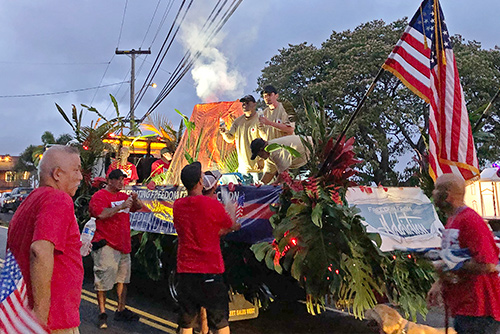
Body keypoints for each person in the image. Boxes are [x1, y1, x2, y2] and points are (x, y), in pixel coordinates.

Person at [7, 145, 84, 333]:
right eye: (76, 169)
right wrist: (40, 318)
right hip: (54, 322)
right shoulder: (59, 199)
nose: (80, 177)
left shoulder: (29, 202)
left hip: (22, 316)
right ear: (57, 174)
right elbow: (40, 250)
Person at [427, 173, 500, 334]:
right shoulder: (452, 220)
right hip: (463, 307)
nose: (433, 193)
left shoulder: (471, 221)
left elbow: (488, 263)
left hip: (480, 309)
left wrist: (453, 263)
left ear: (447, 195)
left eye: (436, 189)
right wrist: (439, 283)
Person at [173, 162, 240, 334]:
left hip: (186, 270)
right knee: (220, 322)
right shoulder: (211, 205)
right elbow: (230, 225)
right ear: (200, 182)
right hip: (210, 269)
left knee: (187, 322)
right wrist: (233, 218)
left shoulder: (178, 206)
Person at [89, 169, 143, 329]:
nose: (121, 182)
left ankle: (121, 308)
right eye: (118, 180)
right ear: (109, 181)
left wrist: (135, 200)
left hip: (123, 243)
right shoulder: (99, 197)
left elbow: (137, 208)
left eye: (123, 180)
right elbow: (101, 214)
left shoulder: (123, 196)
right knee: (103, 280)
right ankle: (102, 312)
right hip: (107, 243)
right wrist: (119, 207)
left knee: (123, 279)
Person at [220, 95, 262, 176]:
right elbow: (230, 138)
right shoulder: (237, 122)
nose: (244, 105)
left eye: (247, 103)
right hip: (243, 168)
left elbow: (266, 140)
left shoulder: (260, 119)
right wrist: (224, 132)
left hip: (259, 168)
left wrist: (261, 160)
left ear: (254, 104)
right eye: (243, 103)